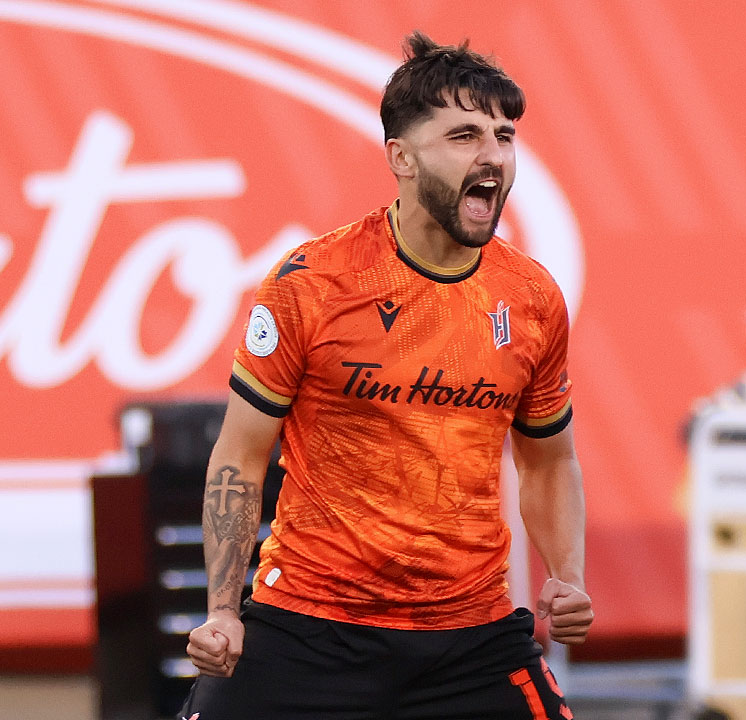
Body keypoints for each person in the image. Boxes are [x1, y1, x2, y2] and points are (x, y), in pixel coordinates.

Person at [177, 31, 591, 720]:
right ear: (400, 157)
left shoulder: (533, 297)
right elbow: (241, 458)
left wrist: (568, 577)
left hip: (470, 636)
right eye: (463, 135)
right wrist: (223, 611)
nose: (492, 155)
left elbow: (549, 464)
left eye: (504, 135)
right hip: (308, 628)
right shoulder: (312, 284)